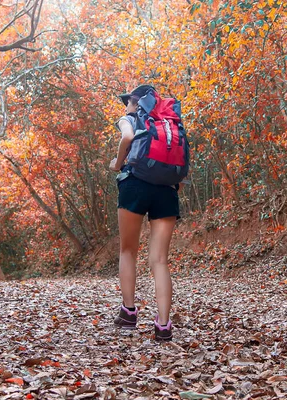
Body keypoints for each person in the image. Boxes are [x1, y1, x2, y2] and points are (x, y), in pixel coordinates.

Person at [109, 84, 180, 341]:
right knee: (159, 260)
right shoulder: (170, 121)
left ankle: (128, 312)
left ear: (134, 102)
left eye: (127, 101)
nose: (125, 105)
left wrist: (117, 164)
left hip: (135, 184)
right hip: (166, 189)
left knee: (128, 250)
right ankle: (163, 325)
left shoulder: (129, 118)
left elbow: (127, 138)